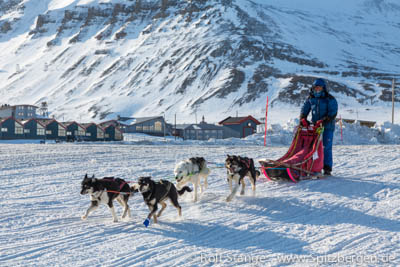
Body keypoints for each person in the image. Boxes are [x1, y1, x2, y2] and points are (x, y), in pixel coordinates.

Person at [300, 78, 338, 175]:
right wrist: (303, 118)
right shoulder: (311, 98)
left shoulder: (329, 99)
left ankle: (327, 168)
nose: (317, 89)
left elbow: (333, 113)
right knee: (314, 147)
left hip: (327, 127)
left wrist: (325, 120)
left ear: (323, 88)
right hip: (315, 127)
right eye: (316, 87)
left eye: (319, 88)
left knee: (325, 147)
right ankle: (314, 166)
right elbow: (304, 109)